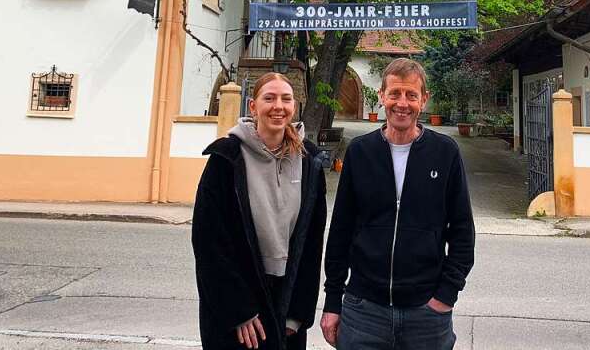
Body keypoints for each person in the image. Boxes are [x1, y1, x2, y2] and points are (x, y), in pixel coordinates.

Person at [321, 58, 475, 349]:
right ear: (381, 96)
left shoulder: (445, 153)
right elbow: (340, 230)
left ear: (424, 100)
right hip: (364, 309)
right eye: (394, 94)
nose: (402, 103)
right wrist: (332, 301)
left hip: (426, 315)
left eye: (411, 95)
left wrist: (445, 297)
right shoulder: (360, 152)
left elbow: (463, 231)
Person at [193, 73, 327, 350]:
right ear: (253, 106)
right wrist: (238, 310)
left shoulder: (309, 162)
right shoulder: (226, 159)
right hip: (240, 303)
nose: (278, 106)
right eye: (269, 98)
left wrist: (298, 312)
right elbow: (209, 242)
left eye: (286, 99)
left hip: (286, 298)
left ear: (294, 106)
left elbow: (312, 243)